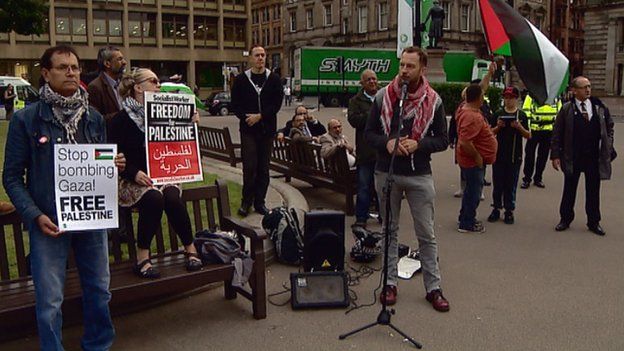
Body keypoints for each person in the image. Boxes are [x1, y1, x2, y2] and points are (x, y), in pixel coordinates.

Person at [3, 45, 125, 350]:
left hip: (92, 221)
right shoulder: (27, 119)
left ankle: (98, 344)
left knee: (99, 291)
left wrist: (112, 165)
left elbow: (99, 164)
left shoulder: (94, 119)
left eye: (75, 67)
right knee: (49, 300)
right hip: (49, 223)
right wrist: (34, 215)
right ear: (46, 73)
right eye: (62, 67)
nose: (71, 72)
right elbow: (12, 178)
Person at [365, 46, 450, 312]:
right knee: (388, 231)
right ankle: (389, 283)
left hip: (418, 175)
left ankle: (433, 288)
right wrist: (387, 143)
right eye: (402, 65)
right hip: (386, 171)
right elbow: (368, 134)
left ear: (422, 69)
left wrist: (419, 144)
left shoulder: (434, 101)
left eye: (410, 66)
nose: (404, 70)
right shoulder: (383, 96)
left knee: (426, 233)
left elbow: (443, 140)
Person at [108, 68, 203, 277]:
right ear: (138, 87)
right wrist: (134, 173)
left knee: (172, 197)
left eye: (159, 82)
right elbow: (113, 156)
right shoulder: (120, 120)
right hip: (131, 180)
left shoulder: (169, 113)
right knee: (154, 198)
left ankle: (191, 249)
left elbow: (183, 149)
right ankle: (142, 257)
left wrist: (191, 125)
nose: (159, 86)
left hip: (164, 174)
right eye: (154, 81)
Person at [551, 76, 615, 236]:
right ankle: (565, 219)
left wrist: (608, 144)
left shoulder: (599, 107)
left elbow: (609, 127)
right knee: (569, 189)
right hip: (573, 156)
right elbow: (557, 133)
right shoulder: (566, 109)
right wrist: (555, 155)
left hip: (594, 156)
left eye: (589, 86)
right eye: (583, 87)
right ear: (574, 90)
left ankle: (594, 221)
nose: (587, 90)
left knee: (593, 190)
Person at [231, 45, 283, 217]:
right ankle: (246, 202)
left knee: (263, 168)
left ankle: (260, 202)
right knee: (250, 166)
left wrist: (260, 116)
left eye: (263, 55)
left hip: (267, 130)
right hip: (248, 130)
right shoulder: (241, 80)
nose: (260, 58)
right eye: (257, 55)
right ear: (251, 58)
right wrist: (247, 118)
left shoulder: (274, 79)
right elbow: (235, 104)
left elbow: (276, 104)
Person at [456, 84, 498, 233]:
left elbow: (479, 88)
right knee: (473, 192)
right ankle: (467, 223)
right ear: (478, 98)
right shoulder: (471, 116)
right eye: (482, 96)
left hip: (472, 161)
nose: (484, 98)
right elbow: (465, 142)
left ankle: (465, 217)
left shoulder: (466, 108)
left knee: (470, 191)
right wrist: (477, 156)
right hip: (473, 162)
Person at [487, 87, 531, 224]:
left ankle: (509, 210)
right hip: (499, 154)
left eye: (511, 97)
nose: (508, 100)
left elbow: (528, 135)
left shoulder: (521, 115)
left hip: (514, 155)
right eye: (506, 97)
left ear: (516, 99)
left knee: (511, 184)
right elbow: (489, 133)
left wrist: (519, 127)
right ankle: (496, 208)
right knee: (498, 183)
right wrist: (498, 126)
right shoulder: (498, 114)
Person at [348, 69, 379, 228]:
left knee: (383, 187)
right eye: (369, 80)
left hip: (382, 151)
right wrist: (373, 114)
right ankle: (361, 217)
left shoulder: (384, 97)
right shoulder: (355, 101)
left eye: (374, 79)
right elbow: (354, 120)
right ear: (362, 83)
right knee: (364, 186)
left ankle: (383, 215)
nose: (373, 82)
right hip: (365, 152)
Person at [520, 94, 561, 189]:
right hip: (534, 129)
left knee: (543, 156)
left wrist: (556, 130)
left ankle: (538, 178)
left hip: (548, 130)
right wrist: (528, 128)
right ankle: (527, 179)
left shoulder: (555, 96)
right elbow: (526, 112)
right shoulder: (531, 95)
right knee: (530, 155)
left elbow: (559, 113)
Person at [87, 46, 127, 126]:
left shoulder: (125, 83)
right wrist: (123, 115)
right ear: (107, 64)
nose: (124, 62)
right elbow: (95, 119)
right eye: (119, 59)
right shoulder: (95, 87)